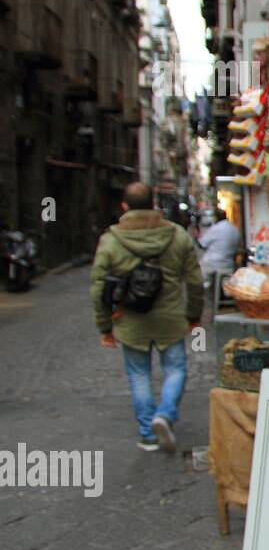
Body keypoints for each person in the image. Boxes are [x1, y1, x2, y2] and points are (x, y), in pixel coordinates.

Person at [90, 182, 203, 453]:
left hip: (131, 322)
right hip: (171, 319)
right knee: (175, 369)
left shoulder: (111, 239)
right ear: (154, 203)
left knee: (139, 374)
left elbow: (98, 288)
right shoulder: (177, 235)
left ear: (124, 207)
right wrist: (193, 316)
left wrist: (105, 326)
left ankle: (148, 434)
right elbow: (195, 282)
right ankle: (164, 415)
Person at [197, 206, 241, 275]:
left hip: (212, 264)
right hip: (229, 265)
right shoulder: (234, 229)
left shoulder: (215, 228)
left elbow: (202, 244)